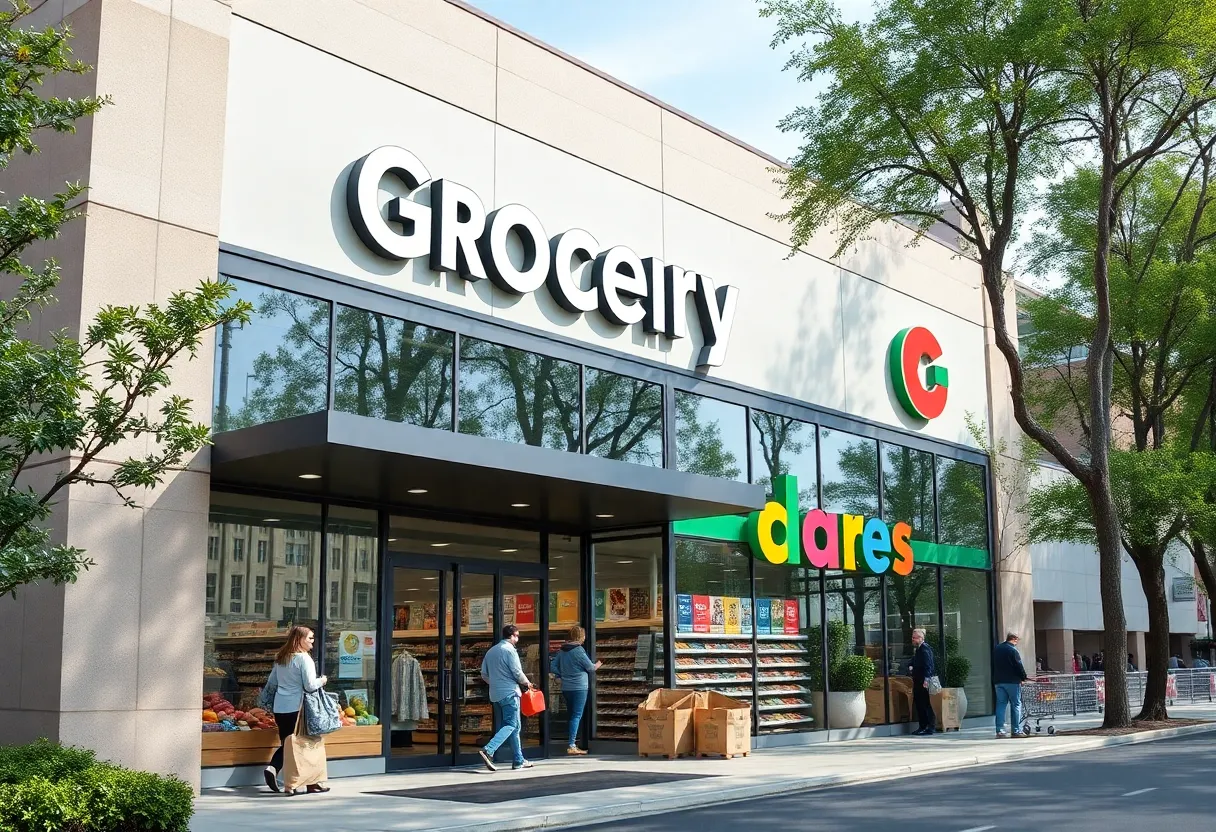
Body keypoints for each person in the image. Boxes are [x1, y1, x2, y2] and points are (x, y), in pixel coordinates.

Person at [263, 625, 329, 795]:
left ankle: (305, 781)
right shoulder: (304, 659)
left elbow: (272, 683)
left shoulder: (281, 658)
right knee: (303, 744)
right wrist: (322, 680)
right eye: (310, 638)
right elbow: (309, 686)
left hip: (280, 707)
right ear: (299, 639)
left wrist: (264, 702)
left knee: (288, 741)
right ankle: (276, 769)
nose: (312, 642)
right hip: (298, 707)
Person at [479, 624, 534, 772]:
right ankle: (488, 750)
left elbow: (483, 674)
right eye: (517, 636)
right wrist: (527, 683)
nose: (517, 639)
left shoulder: (491, 651)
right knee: (511, 724)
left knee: (514, 727)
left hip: (495, 694)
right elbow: (517, 672)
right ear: (511, 636)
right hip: (510, 693)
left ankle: (518, 760)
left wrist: (496, 683)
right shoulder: (510, 650)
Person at [548, 624, 601, 755]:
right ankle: (572, 744)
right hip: (579, 687)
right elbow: (590, 668)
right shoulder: (579, 651)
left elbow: (553, 665)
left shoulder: (562, 651)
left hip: (566, 687)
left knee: (572, 715)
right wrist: (599, 664)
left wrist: (560, 675)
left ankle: (573, 742)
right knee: (576, 716)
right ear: (580, 637)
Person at [993, 632, 1028, 738]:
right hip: (1012, 681)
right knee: (1016, 704)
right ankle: (1016, 730)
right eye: (1017, 641)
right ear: (1014, 639)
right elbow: (1018, 666)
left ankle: (1000, 730)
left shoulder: (997, 649)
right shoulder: (1013, 650)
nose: (1017, 643)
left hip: (999, 681)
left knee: (1001, 704)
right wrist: (1023, 677)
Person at [906, 628, 936, 736]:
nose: (913, 640)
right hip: (918, 680)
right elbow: (914, 660)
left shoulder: (925, 649)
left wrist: (926, 680)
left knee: (924, 704)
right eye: (912, 637)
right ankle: (923, 726)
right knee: (920, 704)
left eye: (915, 638)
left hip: (923, 681)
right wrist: (910, 665)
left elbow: (928, 665)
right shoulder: (919, 649)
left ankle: (929, 726)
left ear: (921, 638)